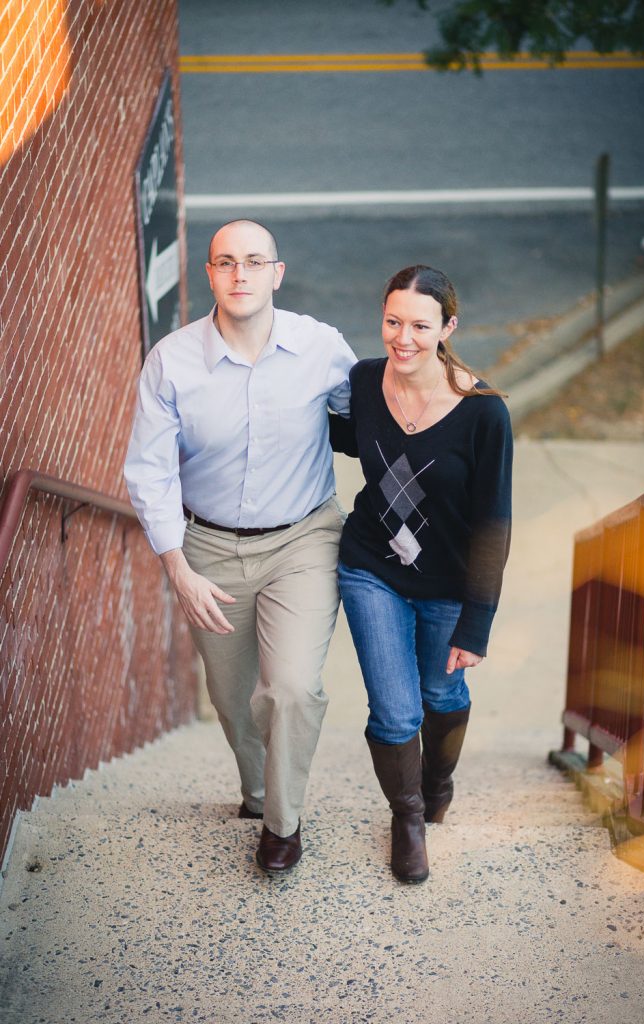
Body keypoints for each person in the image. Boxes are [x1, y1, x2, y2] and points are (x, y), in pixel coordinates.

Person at [124, 219, 356, 873]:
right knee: (231, 699)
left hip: (303, 538)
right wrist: (176, 565)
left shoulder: (320, 347)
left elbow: (375, 414)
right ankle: (257, 795)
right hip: (208, 549)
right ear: (209, 276)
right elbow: (148, 469)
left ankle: (282, 826)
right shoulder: (171, 361)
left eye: (254, 262)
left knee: (288, 688)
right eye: (225, 263)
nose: (240, 275)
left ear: (276, 273)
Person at [334, 265, 512, 883]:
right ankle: (406, 818)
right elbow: (345, 440)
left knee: (441, 695)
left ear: (447, 328)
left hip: (447, 585)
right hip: (369, 569)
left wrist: (477, 623)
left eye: (419, 325)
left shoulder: (482, 413)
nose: (402, 338)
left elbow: (494, 522)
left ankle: (438, 779)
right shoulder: (362, 382)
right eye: (392, 321)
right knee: (394, 712)